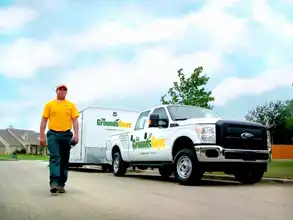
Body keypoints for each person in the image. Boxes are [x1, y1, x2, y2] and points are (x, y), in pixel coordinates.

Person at [39, 84, 79, 193]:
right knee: (55, 157)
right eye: (60, 89)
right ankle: (54, 183)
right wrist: (42, 136)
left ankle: (61, 184)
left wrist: (76, 134)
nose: (62, 91)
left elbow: (75, 121)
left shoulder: (71, 105)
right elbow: (44, 121)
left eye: (64, 89)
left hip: (66, 135)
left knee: (64, 160)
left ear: (66, 92)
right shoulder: (50, 105)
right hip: (53, 134)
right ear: (56, 91)